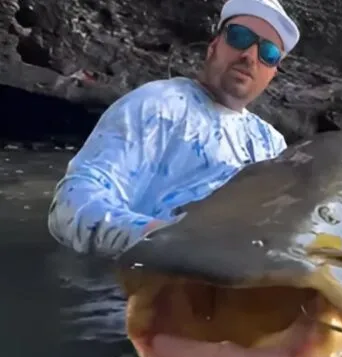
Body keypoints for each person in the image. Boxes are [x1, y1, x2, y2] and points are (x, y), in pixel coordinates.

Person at [47, 0, 300, 257]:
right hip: (138, 284)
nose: (249, 56)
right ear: (213, 46)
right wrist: (166, 239)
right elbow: (72, 204)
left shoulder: (272, 144)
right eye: (239, 37)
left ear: (273, 74)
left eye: (268, 53)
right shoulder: (157, 105)